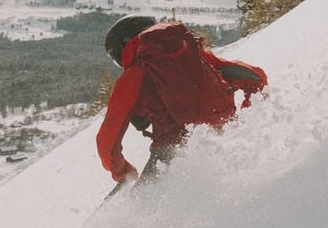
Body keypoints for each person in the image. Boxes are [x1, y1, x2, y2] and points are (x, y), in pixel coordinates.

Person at [96, 14, 267, 189]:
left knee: (142, 200)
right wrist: (249, 115)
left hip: (171, 150)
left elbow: (108, 140)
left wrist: (124, 172)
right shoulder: (197, 57)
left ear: (121, 50)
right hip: (223, 135)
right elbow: (254, 77)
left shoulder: (132, 77)